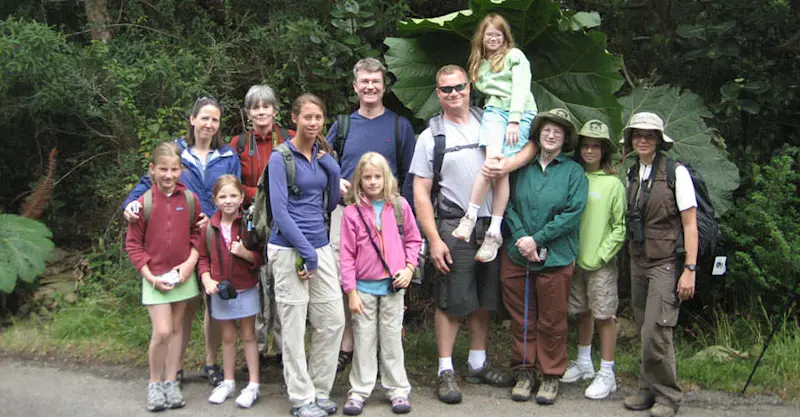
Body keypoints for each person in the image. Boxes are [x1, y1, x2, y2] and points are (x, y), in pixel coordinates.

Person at [411, 65, 535, 405]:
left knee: (484, 297)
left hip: (492, 224)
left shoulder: (491, 121)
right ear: (438, 93)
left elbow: (531, 146)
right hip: (455, 226)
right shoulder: (431, 136)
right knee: (452, 299)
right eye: (446, 89)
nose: (454, 94)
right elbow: (421, 192)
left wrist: (508, 166)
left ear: (470, 88)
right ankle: (445, 369)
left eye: (459, 87)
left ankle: (477, 362)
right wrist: (434, 239)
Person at [122, 96, 240, 387]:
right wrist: (130, 203)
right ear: (192, 119)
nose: (209, 124)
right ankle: (175, 368)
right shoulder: (177, 153)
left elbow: (233, 193)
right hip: (184, 240)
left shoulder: (227, 156)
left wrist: (214, 220)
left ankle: (211, 362)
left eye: (215, 120)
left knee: (214, 306)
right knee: (184, 307)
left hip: (216, 239)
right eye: (204, 118)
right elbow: (146, 184)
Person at [326, 57, 417, 373]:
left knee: (388, 277)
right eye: (364, 81)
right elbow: (321, 159)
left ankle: (387, 349)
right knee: (345, 278)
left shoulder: (398, 125)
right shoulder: (344, 124)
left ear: (383, 86)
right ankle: (349, 344)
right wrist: (334, 179)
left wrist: (404, 219)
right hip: (346, 214)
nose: (370, 87)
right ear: (355, 86)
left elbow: (408, 174)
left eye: (375, 82)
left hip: (389, 216)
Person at [500, 108, 587, 405]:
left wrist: (537, 239)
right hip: (518, 255)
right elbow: (506, 202)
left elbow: (573, 212)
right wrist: (524, 239)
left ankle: (550, 375)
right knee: (523, 318)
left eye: (558, 132)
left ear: (565, 139)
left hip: (556, 256)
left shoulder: (573, 172)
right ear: (538, 133)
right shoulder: (522, 167)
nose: (551, 135)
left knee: (552, 320)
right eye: (547, 130)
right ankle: (525, 372)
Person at [267, 93, 344, 417]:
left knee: (333, 321)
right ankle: (301, 399)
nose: (313, 123)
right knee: (294, 326)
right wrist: (306, 253)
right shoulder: (279, 157)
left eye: (318, 117)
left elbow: (328, 204)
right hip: (288, 249)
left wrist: (333, 169)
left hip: (319, 245)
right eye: (307, 117)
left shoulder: (320, 156)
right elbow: (280, 213)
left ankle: (319, 389)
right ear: (295, 119)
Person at [620, 112, 697, 417]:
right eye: (637, 135)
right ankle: (647, 389)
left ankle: (668, 396)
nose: (642, 140)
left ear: (659, 141)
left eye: (649, 135)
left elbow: (690, 224)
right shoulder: (632, 173)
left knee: (658, 330)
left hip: (666, 262)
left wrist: (689, 269)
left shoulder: (676, 173)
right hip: (638, 258)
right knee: (644, 329)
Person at [451, 13, 538, 264]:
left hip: (517, 112)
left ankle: (494, 230)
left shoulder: (515, 57)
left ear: (505, 37)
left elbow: (522, 88)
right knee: (491, 164)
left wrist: (514, 119)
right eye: (489, 34)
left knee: (501, 169)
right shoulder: (479, 62)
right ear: (482, 36)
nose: (493, 39)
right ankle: (470, 216)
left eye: (498, 35)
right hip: (493, 111)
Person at [339, 152, 421, 415]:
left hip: (393, 287)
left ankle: (397, 389)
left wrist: (409, 268)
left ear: (386, 178)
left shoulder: (399, 206)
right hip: (363, 288)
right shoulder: (352, 213)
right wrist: (350, 291)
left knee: (391, 340)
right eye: (367, 178)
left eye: (377, 177)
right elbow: (347, 255)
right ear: (359, 181)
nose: (373, 182)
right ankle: (359, 391)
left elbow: (414, 240)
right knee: (363, 341)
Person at [124, 142, 202, 412]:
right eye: (163, 170)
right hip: (154, 277)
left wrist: (190, 264)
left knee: (178, 329)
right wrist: (150, 276)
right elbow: (133, 245)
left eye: (174, 170)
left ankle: (172, 381)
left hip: (182, 275)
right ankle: (154, 384)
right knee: (163, 331)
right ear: (152, 170)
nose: (169, 175)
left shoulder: (190, 200)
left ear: (181, 170)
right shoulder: (142, 204)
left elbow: (197, 235)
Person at [560, 120, 626, 400]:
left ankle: (607, 372)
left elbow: (619, 226)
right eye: (585, 145)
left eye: (595, 146)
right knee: (582, 312)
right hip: (574, 258)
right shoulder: (573, 177)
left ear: (604, 151)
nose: (589, 150)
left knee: (604, 315)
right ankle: (584, 362)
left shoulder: (612, 183)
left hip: (600, 262)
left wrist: (601, 255)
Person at [229, 85, 294, 366]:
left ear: (275, 111)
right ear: (248, 114)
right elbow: (230, 185)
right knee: (256, 286)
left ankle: (282, 350)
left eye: (266, 107)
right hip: (252, 224)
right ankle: (256, 350)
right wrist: (260, 194)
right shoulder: (239, 144)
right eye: (255, 108)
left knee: (282, 286)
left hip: (284, 223)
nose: (261, 112)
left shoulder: (290, 139)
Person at [199, 175, 265, 408]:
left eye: (233, 196)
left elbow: (260, 257)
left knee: (248, 336)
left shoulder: (249, 224)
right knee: (227, 337)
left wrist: (245, 253)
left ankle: (253, 383)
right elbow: (203, 258)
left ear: (241, 198)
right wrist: (206, 279)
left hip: (246, 288)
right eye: (223, 196)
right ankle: (228, 381)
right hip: (220, 291)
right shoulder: (209, 227)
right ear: (215, 200)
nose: (228, 201)